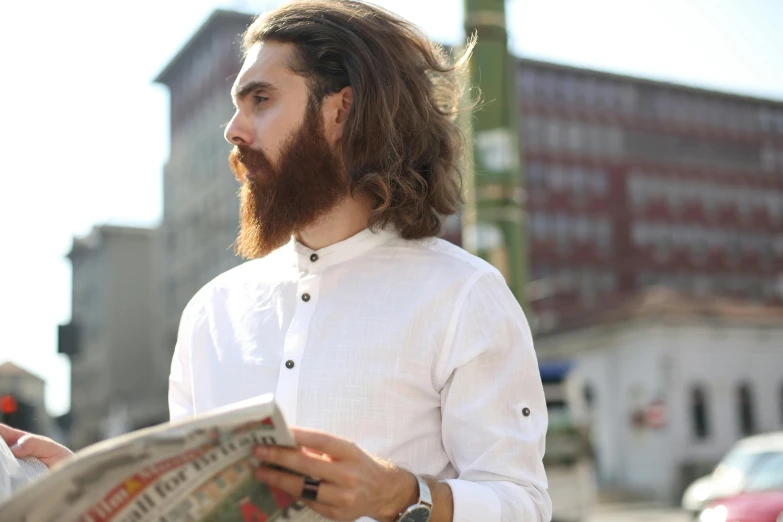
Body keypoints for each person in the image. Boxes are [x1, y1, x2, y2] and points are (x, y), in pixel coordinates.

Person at [1, 1, 551, 521]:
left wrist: (406, 498)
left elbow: (524, 502)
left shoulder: (462, 296)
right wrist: (95, 494)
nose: (233, 130)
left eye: (260, 100)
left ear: (342, 110)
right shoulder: (211, 312)